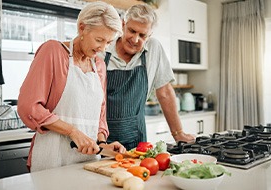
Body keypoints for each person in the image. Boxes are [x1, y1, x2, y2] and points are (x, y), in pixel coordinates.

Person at [17, 1, 125, 172]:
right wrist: (73, 132)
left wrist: (103, 145)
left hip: (88, 163)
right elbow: (29, 106)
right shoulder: (52, 51)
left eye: (108, 42)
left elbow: (100, 116)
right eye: (99, 40)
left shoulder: (99, 66)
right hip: (52, 159)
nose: (103, 48)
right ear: (82, 28)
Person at [102, 4, 195, 150]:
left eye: (142, 35)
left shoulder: (153, 49)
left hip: (137, 139)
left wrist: (178, 133)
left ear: (149, 35)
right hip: (102, 138)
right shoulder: (103, 48)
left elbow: (164, 92)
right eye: (132, 31)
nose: (135, 39)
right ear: (123, 25)